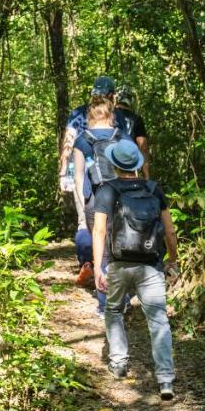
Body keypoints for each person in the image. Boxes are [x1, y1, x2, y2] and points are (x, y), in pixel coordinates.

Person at [92, 138, 180, 401]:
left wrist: (98, 266)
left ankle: (118, 363)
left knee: (114, 310)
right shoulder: (153, 189)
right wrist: (173, 259)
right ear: (136, 165)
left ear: (114, 163)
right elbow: (169, 230)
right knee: (158, 321)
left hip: (119, 264)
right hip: (151, 265)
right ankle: (165, 380)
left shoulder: (108, 190)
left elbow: (99, 230)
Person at [71, 93, 127, 293]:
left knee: (100, 249)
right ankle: (122, 297)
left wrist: (82, 201)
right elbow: (133, 168)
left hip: (93, 198)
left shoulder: (82, 140)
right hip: (121, 196)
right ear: (111, 115)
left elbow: (78, 176)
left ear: (89, 117)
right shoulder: (121, 136)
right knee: (120, 245)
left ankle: (105, 300)